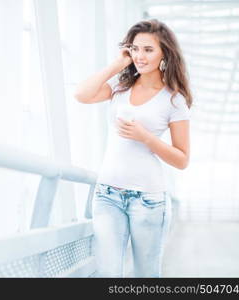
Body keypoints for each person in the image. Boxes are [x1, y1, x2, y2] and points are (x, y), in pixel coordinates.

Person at [74, 19, 192, 277]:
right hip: (107, 195)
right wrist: (118, 64)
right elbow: (81, 94)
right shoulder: (120, 87)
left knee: (145, 276)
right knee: (108, 274)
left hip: (148, 200)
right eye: (135, 48)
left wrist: (146, 137)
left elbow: (182, 159)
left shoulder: (174, 99)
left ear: (165, 53)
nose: (140, 55)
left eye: (148, 50)